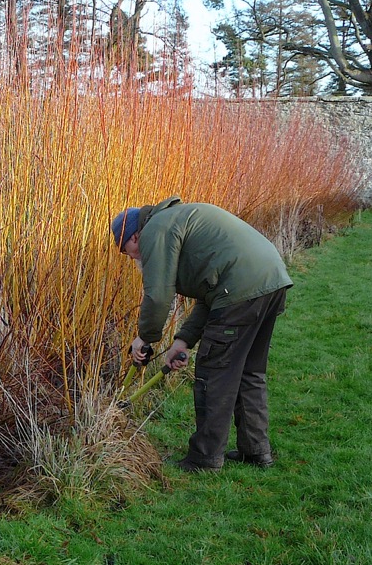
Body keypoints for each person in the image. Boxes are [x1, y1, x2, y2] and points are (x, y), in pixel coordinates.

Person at [110, 197, 293, 473]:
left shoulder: (155, 231)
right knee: (248, 373)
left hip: (240, 290)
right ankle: (255, 451)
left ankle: (204, 459)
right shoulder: (178, 218)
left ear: (134, 235)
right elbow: (211, 295)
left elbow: (158, 296)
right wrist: (182, 341)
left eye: (128, 251)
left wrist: (145, 338)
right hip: (271, 280)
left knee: (214, 374)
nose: (133, 258)